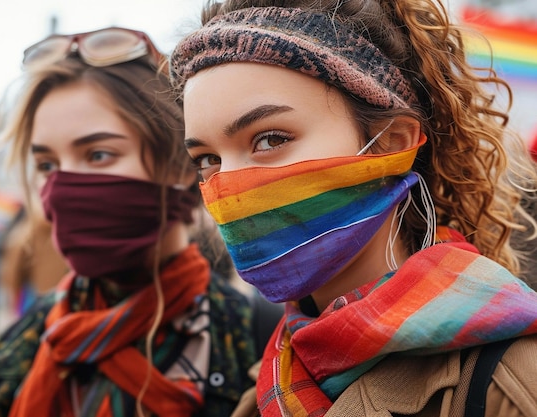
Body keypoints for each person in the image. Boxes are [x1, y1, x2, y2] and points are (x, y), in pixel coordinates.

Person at [169, 1, 537, 416]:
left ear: (392, 143)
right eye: (207, 160)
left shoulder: (512, 381)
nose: (228, 187)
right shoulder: (272, 376)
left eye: (270, 139)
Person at [0, 27, 260, 417]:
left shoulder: (260, 346)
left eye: (98, 154)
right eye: (47, 165)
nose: (64, 186)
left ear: (179, 161)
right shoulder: (10, 358)